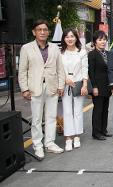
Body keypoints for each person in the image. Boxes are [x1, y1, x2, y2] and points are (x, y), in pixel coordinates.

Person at [18, 19, 65, 159]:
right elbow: (22, 71)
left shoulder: (54, 48)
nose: (43, 32)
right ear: (34, 32)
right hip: (35, 88)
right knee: (37, 118)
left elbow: (60, 69)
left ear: (48, 32)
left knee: (51, 117)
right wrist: (24, 89)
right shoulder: (26, 48)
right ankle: (38, 145)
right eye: (39, 29)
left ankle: (49, 143)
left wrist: (61, 85)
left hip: (52, 87)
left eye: (45, 29)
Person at [60, 28, 88, 151]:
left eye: (72, 36)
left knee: (77, 111)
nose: (70, 39)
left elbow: (84, 69)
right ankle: (68, 138)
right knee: (67, 111)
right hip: (65, 85)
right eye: (67, 37)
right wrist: (65, 80)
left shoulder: (82, 52)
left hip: (79, 84)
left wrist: (85, 85)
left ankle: (76, 136)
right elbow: (58, 69)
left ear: (76, 38)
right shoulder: (60, 53)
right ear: (64, 39)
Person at [88, 31, 112, 141]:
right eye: (100, 39)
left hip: (107, 86)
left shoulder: (107, 53)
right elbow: (91, 72)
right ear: (95, 42)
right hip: (97, 86)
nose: (103, 42)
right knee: (98, 110)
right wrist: (94, 87)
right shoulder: (92, 54)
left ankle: (103, 130)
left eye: (104, 39)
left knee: (105, 109)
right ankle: (96, 133)